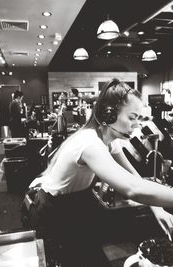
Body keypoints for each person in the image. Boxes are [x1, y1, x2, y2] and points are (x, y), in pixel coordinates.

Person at [28, 78, 173, 267]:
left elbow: (132, 177)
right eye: (132, 117)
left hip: (75, 205)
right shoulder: (90, 143)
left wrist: (158, 209)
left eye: (138, 118)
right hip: (54, 210)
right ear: (109, 113)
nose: (136, 125)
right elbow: (133, 189)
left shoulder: (109, 139)